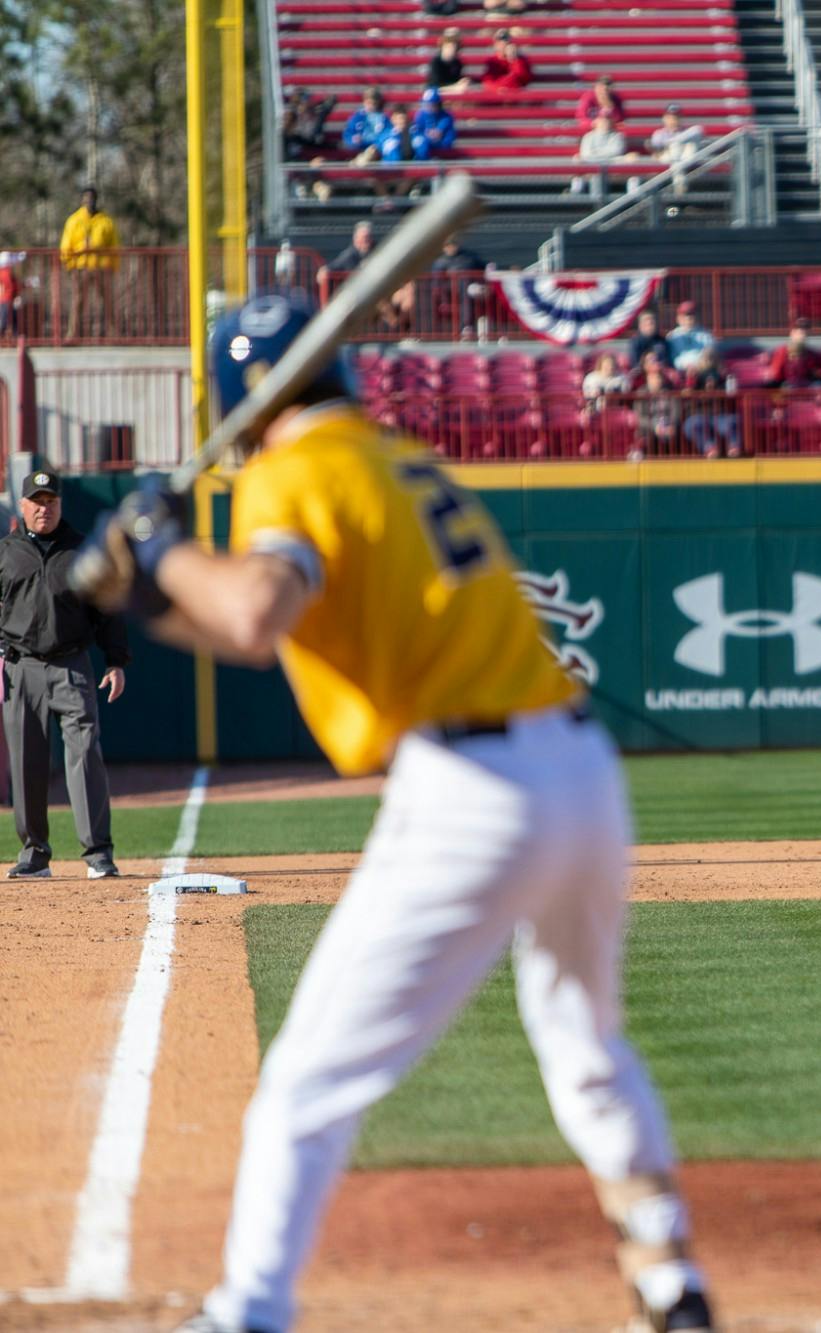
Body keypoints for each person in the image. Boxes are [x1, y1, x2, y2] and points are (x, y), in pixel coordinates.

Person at [78, 293, 713, 1333]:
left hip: (471, 793)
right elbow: (253, 626)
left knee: (306, 1082)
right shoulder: (393, 454)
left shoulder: (296, 470)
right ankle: (669, 1280)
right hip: (582, 770)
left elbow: (251, 609)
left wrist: (154, 546)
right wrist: (151, 595)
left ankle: (247, 1312)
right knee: (584, 1042)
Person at [0, 469, 127, 880]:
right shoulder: (6, 552)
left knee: (85, 754)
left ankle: (97, 854)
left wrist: (116, 661)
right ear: (22, 506)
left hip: (73, 665)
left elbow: (106, 608)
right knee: (27, 763)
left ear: (60, 505)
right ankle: (35, 854)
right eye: (36, 501)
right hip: (21, 669)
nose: (44, 508)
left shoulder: (81, 551)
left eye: (50, 501)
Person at [58, 186, 119, 340]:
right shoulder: (74, 220)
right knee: (78, 301)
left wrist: (113, 265)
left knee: (108, 301)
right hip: (81, 267)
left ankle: (113, 333)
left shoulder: (106, 221)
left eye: (92, 198)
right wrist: (70, 263)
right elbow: (66, 246)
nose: (89, 201)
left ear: (96, 200)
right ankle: (73, 334)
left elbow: (114, 245)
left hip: (101, 267)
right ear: (82, 200)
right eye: (86, 198)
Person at [677, 348, 743, 457]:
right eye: (706, 358)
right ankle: (710, 448)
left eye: (712, 358)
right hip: (699, 413)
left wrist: (720, 386)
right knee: (693, 424)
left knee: (733, 421)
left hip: (720, 414)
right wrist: (693, 384)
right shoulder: (695, 376)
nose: (709, 360)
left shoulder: (724, 376)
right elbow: (687, 396)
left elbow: (731, 396)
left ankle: (734, 447)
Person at [766, 318, 821, 387]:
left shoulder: (812, 354)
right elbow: (776, 375)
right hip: (788, 386)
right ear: (792, 333)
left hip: (806, 386)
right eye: (800, 333)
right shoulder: (782, 352)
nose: (803, 337)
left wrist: (816, 373)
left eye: (806, 334)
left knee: (819, 386)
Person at [667, 300, 715, 372]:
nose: (688, 319)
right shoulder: (673, 336)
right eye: (684, 316)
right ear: (678, 318)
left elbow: (710, 353)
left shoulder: (706, 335)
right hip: (680, 372)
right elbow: (671, 358)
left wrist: (698, 366)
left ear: (697, 317)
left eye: (691, 315)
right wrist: (685, 367)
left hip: (700, 371)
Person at [341, 87, 390, 156]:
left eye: (374, 103)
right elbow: (348, 133)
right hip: (359, 149)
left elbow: (387, 134)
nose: (371, 106)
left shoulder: (383, 118)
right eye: (368, 103)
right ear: (364, 102)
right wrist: (353, 140)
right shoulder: (357, 117)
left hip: (377, 150)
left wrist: (378, 144)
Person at [413, 89, 457, 157]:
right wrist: (425, 135)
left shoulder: (446, 117)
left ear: (438, 105)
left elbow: (446, 137)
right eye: (425, 104)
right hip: (426, 148)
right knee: (420, 144)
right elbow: (417, 132)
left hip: (442, 149)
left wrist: (436, 136)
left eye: (430, 105)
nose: (427, 107)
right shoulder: (420, 116)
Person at [425, 30, 470, 95]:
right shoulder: (436, 62)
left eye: (454, 47)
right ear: (442, 47)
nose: (451, 50)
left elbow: (456, 82)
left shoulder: (457, 63)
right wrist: (455, 87)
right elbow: (433, 88)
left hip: (451, 96)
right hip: (435, 97)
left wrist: (462, 83)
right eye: (448, 47)